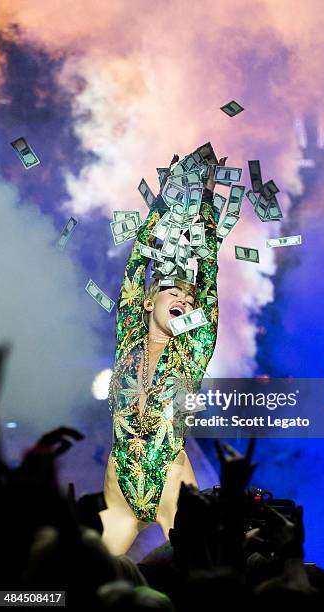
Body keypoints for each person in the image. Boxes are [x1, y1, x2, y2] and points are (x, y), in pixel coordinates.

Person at [99, 153, 225, 555]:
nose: (184, 301)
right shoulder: (129, 340)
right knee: (95, 574)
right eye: (174, 293)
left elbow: (207, 276)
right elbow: (137, 264)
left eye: (189, 301)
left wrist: (204, 199)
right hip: (120, 486)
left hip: (171, 479)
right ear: (151, 300)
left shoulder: (193, 350)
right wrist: (165, 202)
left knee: (192, 562)